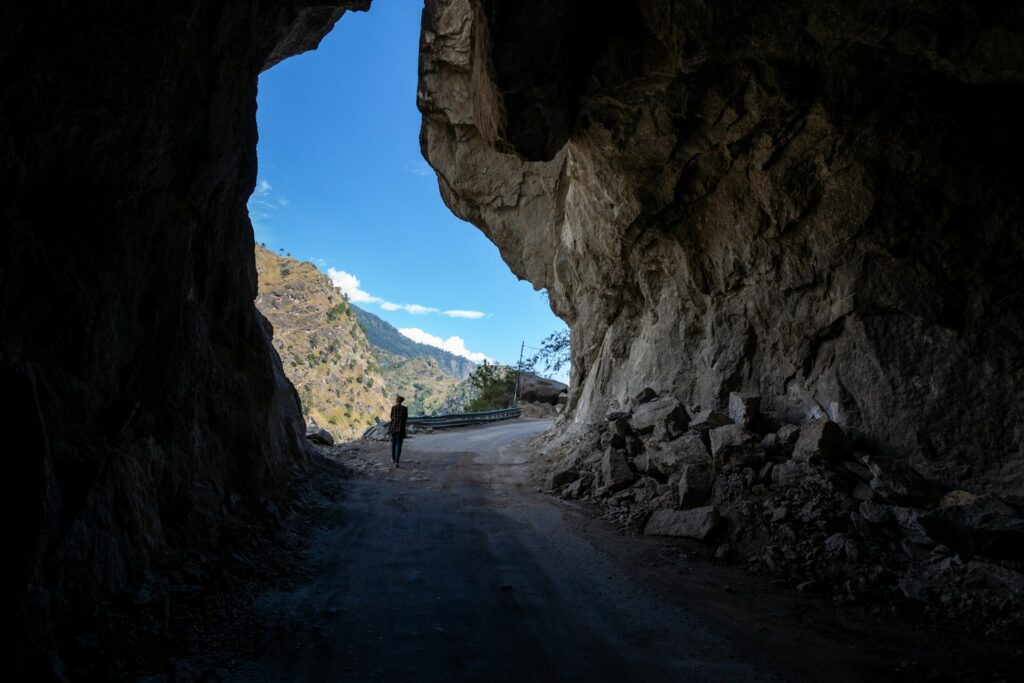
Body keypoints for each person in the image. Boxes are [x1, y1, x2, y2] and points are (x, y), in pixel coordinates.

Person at [388, 395, 408, 467]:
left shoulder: (393, 408)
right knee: (399, 444)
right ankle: (397, 461)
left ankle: (393, 458)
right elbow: (405, 418)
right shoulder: (405, 408)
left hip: (393, 427)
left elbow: (391, 417)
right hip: (401, 428)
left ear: (397, 400)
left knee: (394, 443)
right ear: (402, 401)